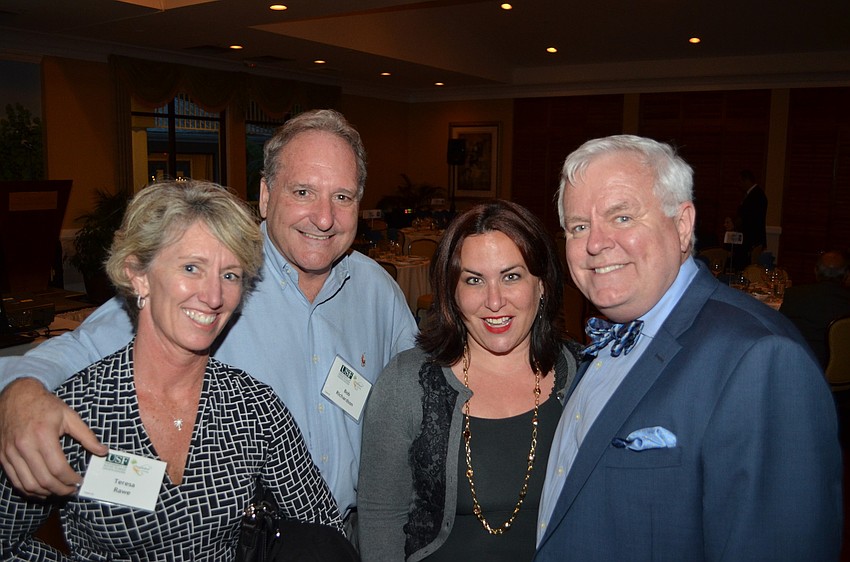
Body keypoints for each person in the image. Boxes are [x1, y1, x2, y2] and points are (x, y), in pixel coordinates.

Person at [0, 109, 418, 528]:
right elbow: (81, 351)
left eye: (342, 197)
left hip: (346, 531)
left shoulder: (375, 290)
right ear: (266, 196)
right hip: (233, 539)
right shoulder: (216, 281)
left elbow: (420, 387)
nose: (324, 218)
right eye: (303, 192)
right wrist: (21, 391)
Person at [535, 135, 842, 560]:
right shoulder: (607, 337)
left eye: (621, 217)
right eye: (578, 226)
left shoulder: (760, 359)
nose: (594, 243)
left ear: (682, 225)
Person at [0, 180, 341, 559]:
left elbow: (324, 528)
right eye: (192, 267)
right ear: (138, 274)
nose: (213, 297)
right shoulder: (77, 411)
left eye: (229, 275)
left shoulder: (253, 409)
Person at [358, 200, 580, 561]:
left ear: (542, 285)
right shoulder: (407, 384)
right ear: (452, 293)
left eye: (512, 276)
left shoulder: (582, 377)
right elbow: (381, 517)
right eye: (474, 280)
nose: (494, 301)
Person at [780, 249, 850, 367]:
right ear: (846, 274)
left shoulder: (794, 296)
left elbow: (781, 329)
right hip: (843, 370)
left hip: (803, 365)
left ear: (815, 271)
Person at [731, 169, 767, 271]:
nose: (739, 185)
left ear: (746, 180)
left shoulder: (756, 196)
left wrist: (737, 224)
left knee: (747, 268)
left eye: (740, 182)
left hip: (751, 240)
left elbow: (749, 219)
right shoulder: (756, 194)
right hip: (752, 239)